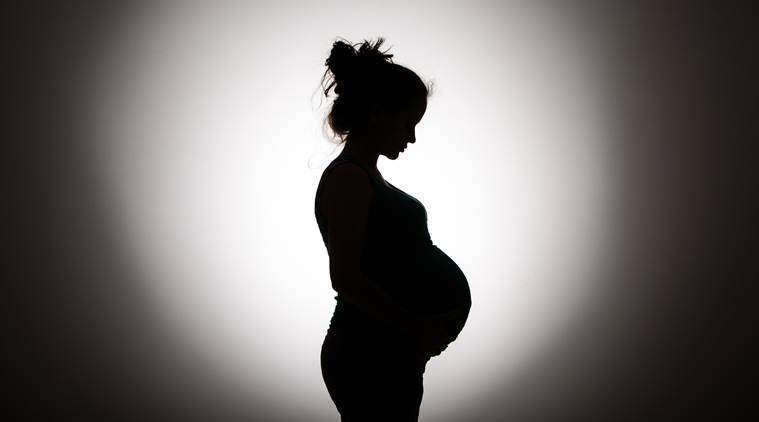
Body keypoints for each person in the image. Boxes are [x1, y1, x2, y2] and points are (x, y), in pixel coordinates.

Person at [314, 37, 472, 422]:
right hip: (368, 352)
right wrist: (415, 327)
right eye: (408, 122)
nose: (412, 137)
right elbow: (346, 276)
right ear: (377, 113)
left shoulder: (368, 178)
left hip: (391, 351)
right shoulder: (348, 178)